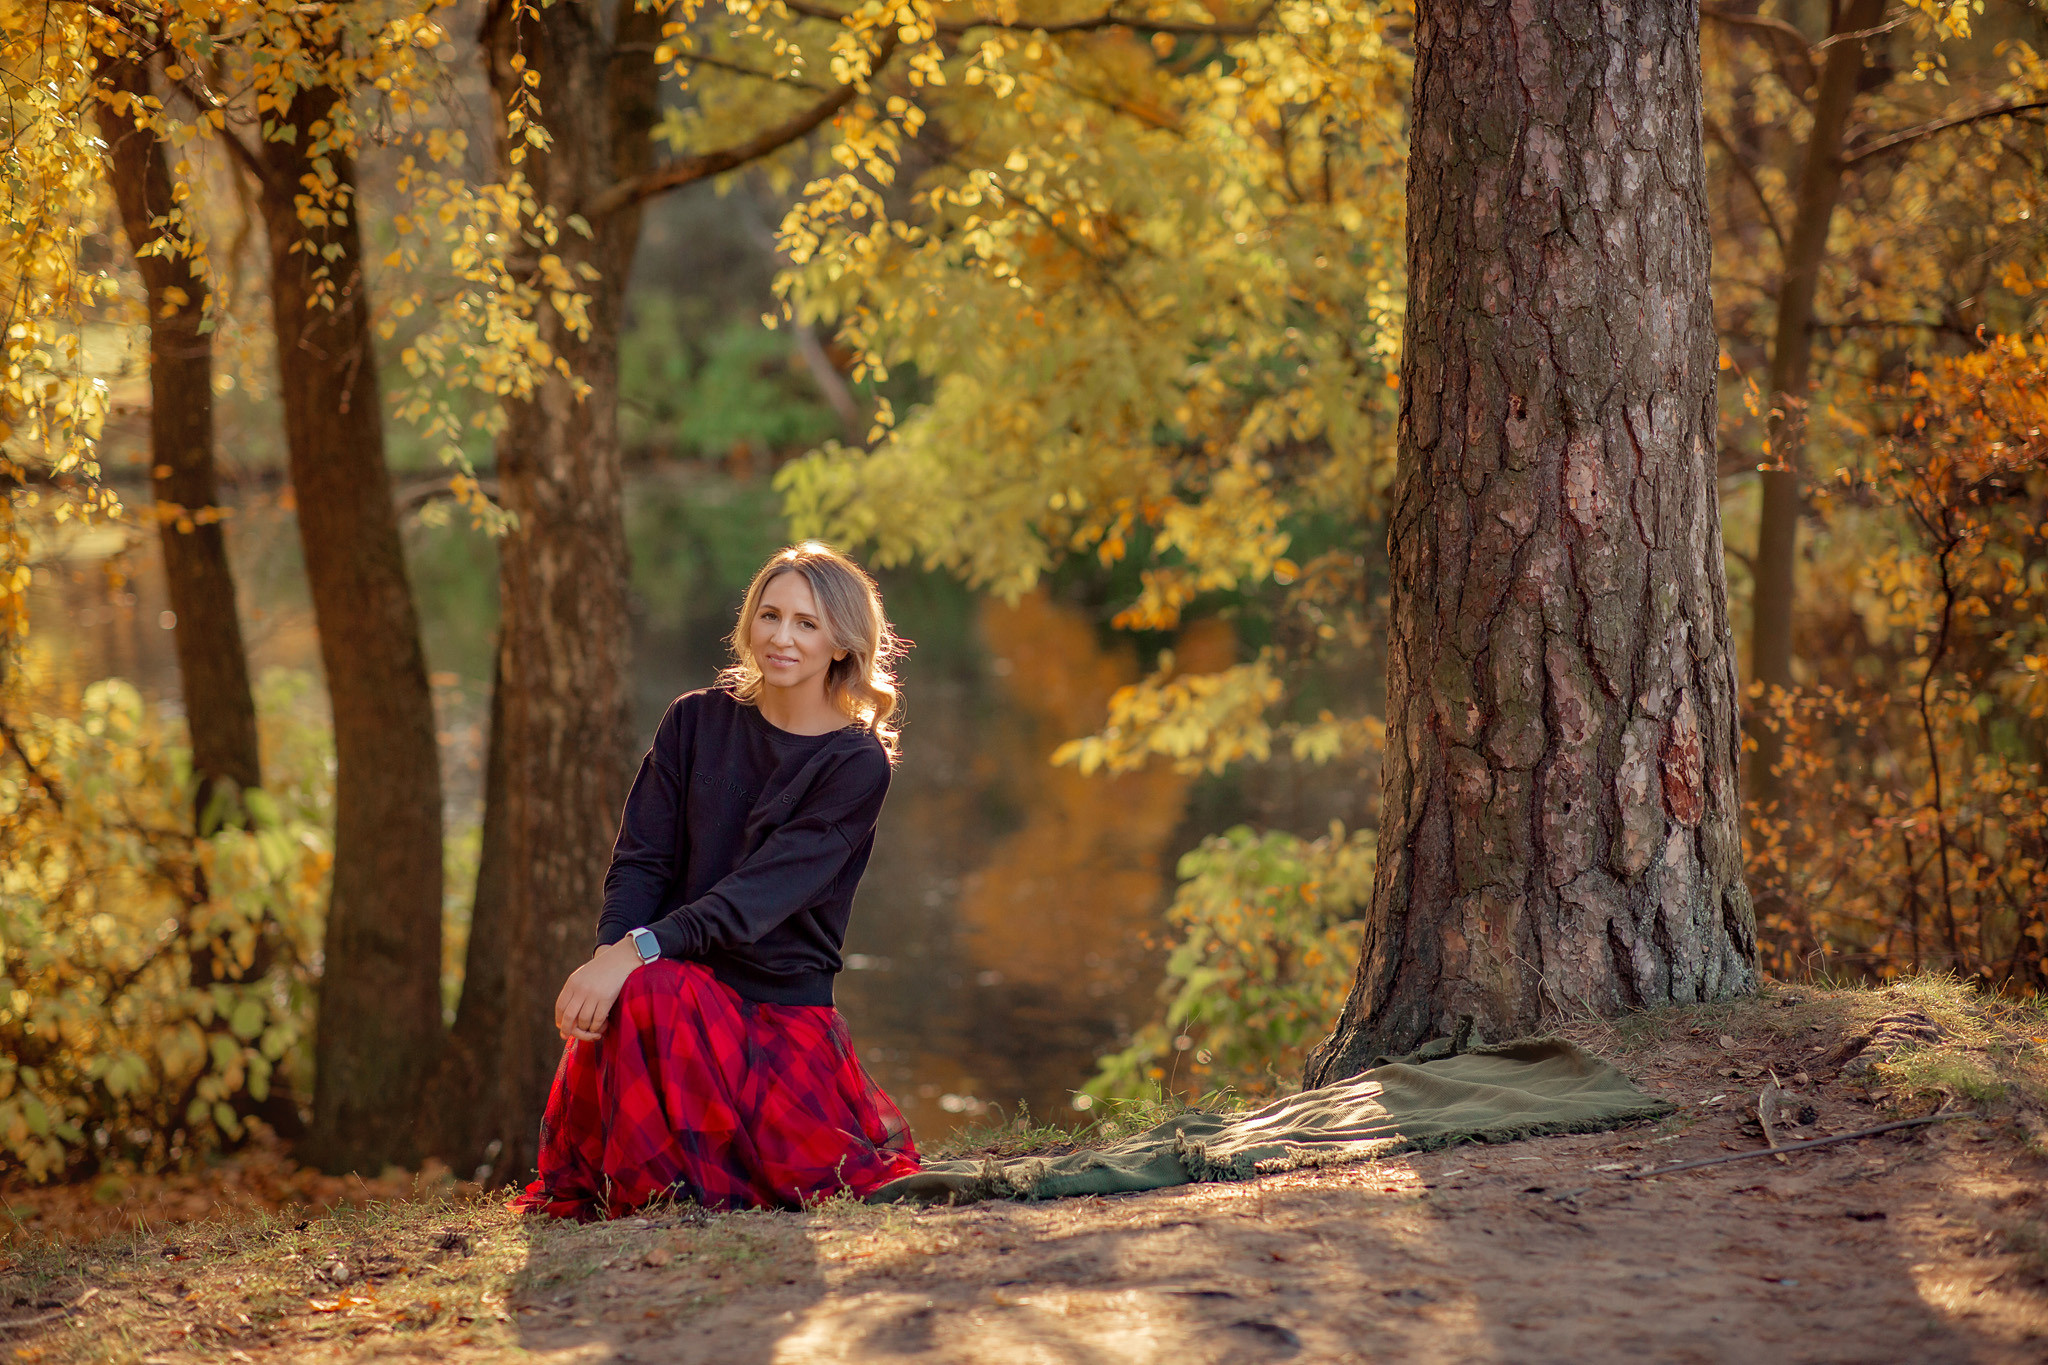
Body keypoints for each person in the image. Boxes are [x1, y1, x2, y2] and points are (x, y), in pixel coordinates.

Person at [512, 542, 921, 1219]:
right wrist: (611, 955)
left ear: (843, 642)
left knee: (653, 981)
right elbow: (642, 859)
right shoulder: (695, 719)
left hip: (774, 1019)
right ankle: (649, 1186)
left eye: (807, 623)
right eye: (770, 614)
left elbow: (751, 902)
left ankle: (667, 1194)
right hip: (666, 988)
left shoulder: (854, 764)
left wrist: (634, 954)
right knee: (648, 985)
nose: (781, 638)